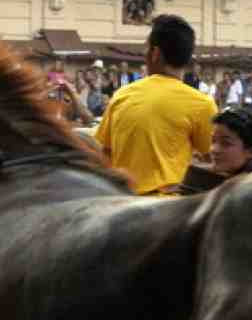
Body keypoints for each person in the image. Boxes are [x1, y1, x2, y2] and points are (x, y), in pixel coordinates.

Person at [92, 15, 218, 195]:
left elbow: (103, 155)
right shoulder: (203, 104)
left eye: (146, 48)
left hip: (121, 205)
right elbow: (215, 162)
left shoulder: (122, 95)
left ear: (155, 54)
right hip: (172, 210)